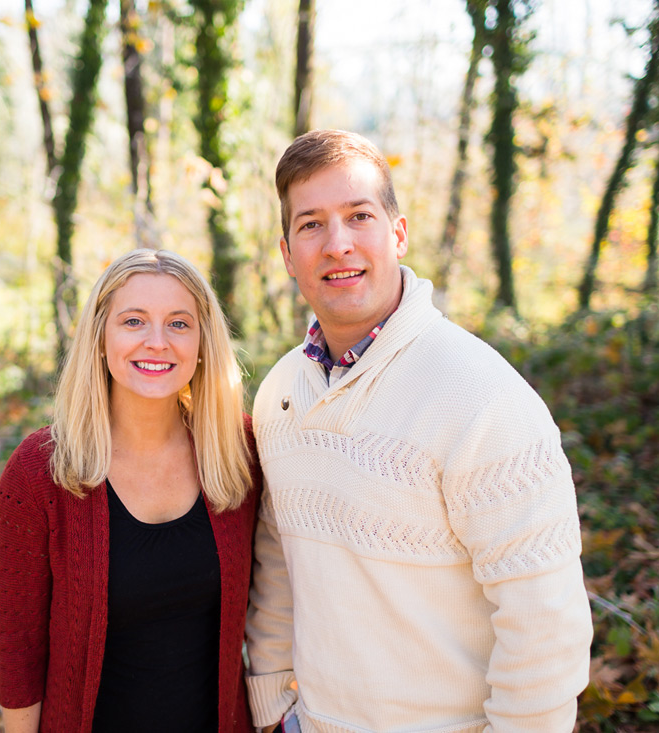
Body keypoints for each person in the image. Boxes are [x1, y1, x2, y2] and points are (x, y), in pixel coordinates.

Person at [245, 129, 594, 732]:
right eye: (311, 225)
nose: (338, 244)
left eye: (359, 216)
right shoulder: (280, 393)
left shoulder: (484, 398)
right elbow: (277, 556)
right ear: (286, 252)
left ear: (398, 233)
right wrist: (273, 698)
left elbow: (546, 625)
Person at [0, 248, 261, 733]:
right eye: (133, 321)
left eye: (179, 324)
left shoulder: (240, 453)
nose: (156, 342)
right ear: (100, 336)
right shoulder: (40, 473)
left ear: (203, 342)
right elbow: (19, 654)